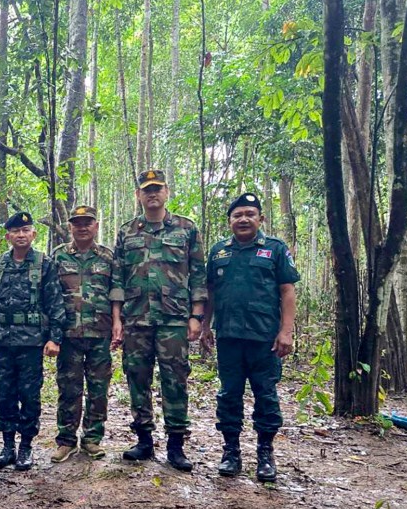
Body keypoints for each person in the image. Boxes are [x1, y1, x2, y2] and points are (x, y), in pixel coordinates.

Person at [111, 170, 207, 472]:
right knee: (137, 379)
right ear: (138, 196)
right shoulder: (127, 232)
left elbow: (199, 275)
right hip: (136, 319)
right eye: (146, 190)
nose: (152, 194)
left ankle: (176, 446)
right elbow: (117, 278)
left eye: (157, 189)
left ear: (167, 192)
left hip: (174, 319)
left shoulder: (186, 229)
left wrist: (197, 316)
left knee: (175, 380)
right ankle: (144, 441)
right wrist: (118, 319)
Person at [201, 193, 299, 483]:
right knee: (228, 395)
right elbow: (211, 293)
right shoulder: (219, 252)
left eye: (249, 214)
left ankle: (265, 454)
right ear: (230, 220)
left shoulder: (275, 249)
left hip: (264, 338)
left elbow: (287, 292)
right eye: (237, 215)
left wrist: (286, 332)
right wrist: (205, 326)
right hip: (229, 337)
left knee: (265, 395)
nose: (243, 219)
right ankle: (231, 452)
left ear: (260, 218)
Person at [0, 212, 65, 471]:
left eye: (26, 230)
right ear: (8, 236)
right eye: (16, 231)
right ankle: (8, 445)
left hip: (31, 342)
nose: (21, 235)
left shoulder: (44, 264)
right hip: (3, 342)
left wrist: (55, 338)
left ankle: (26, 446)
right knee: (3, 392)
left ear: (33, 234)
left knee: (30, 394)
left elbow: (55, 303)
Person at [50, 205, 116, 463]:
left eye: (87, 222)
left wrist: (118, 324)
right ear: (70, 227)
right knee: (69, 389)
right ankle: (66, 440)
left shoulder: (107, 257)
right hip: (69, 335)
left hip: (100, 333)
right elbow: (51, 296)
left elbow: (117, 294)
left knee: (98, 389)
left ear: (96, 225)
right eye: (77, 223)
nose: (82, 227)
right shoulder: (58, 256)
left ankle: (92, 439)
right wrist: (52, 334)